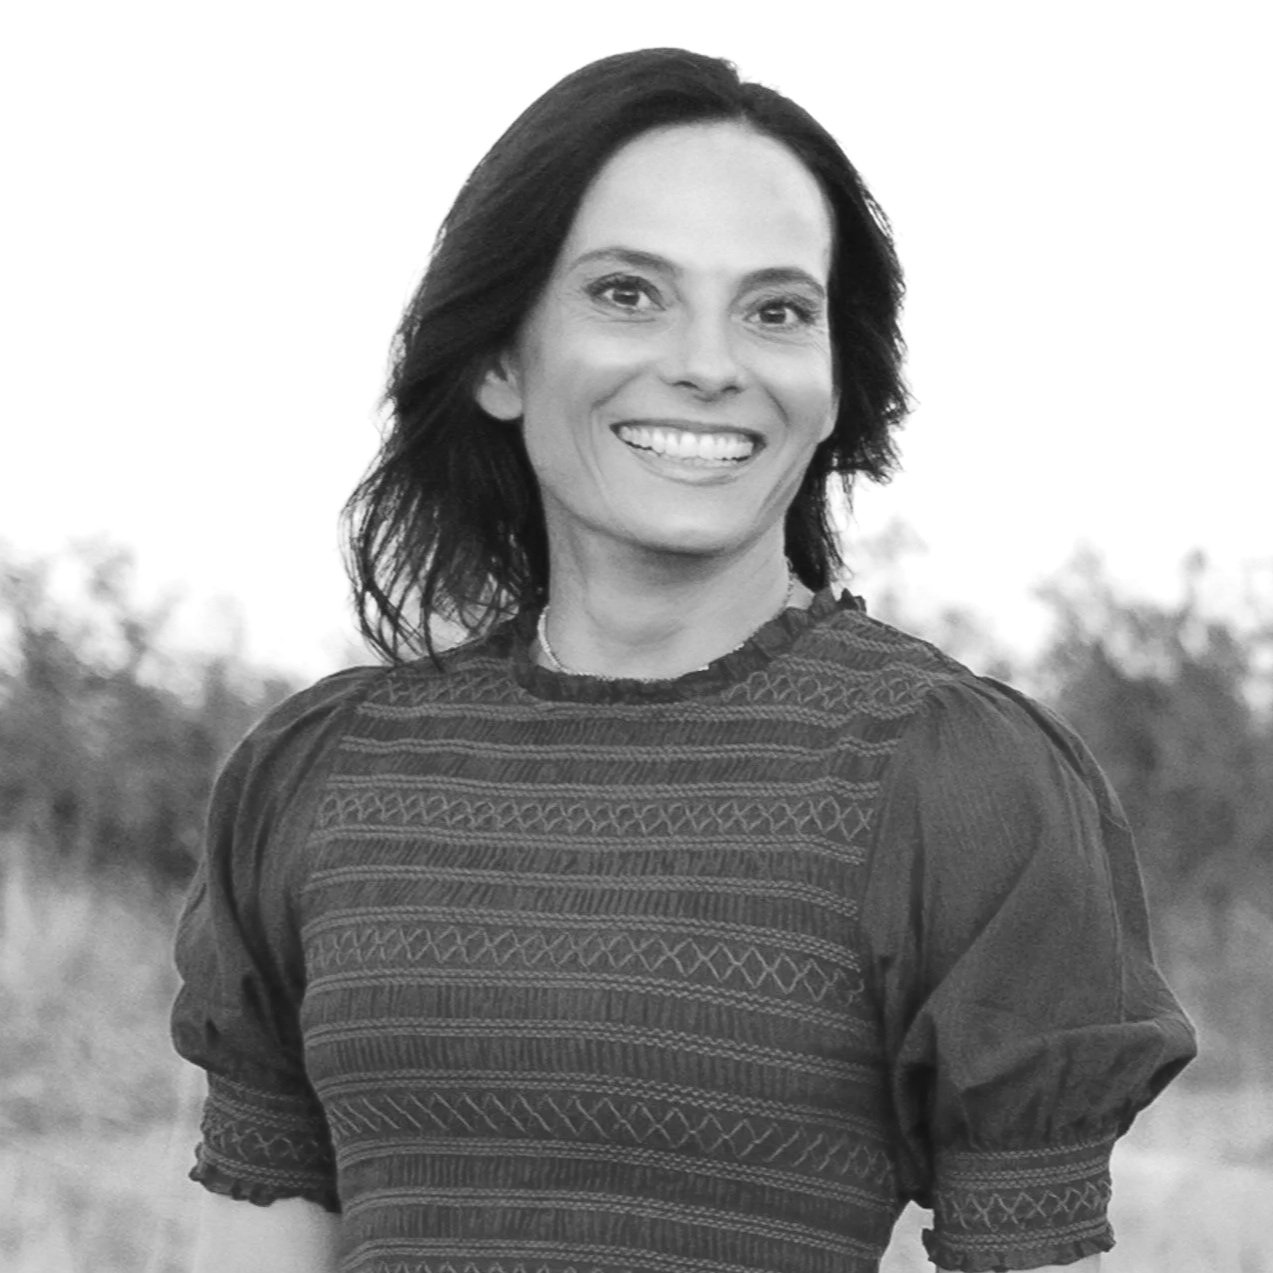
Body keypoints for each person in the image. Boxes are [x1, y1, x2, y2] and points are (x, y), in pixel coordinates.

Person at [171, 47, 1196, 1273]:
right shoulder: (316, 773)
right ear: (498, 358)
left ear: (833, 381)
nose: (711, 363)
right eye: (628, 293)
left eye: (776, 310)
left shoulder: (955, 781)